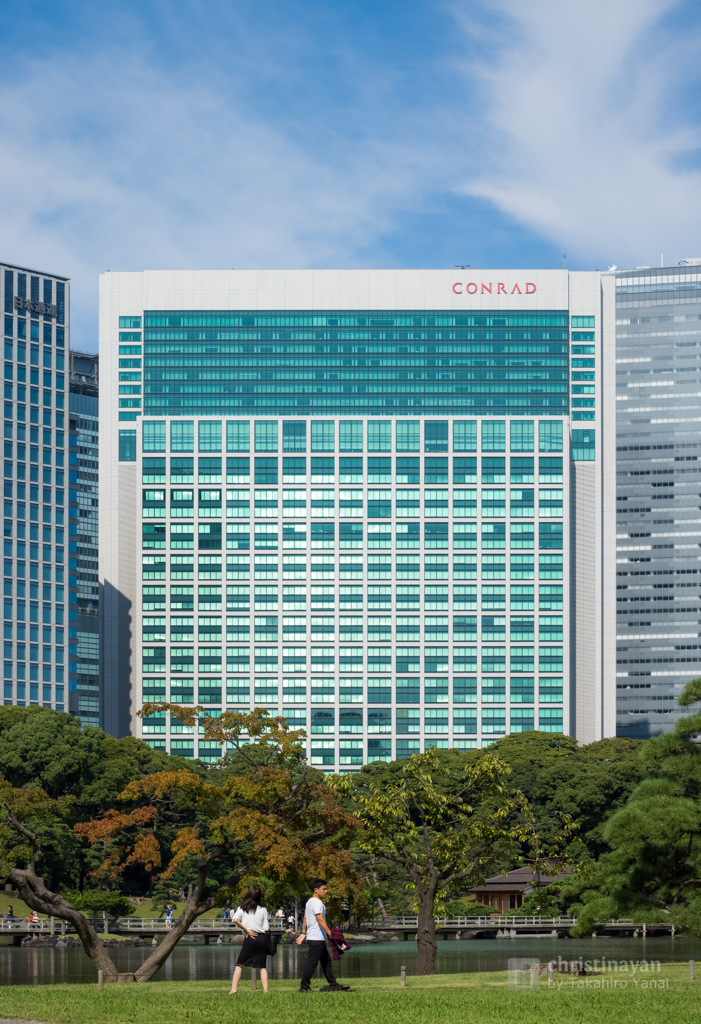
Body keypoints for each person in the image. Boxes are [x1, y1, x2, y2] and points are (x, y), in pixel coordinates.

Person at [296, 879, 350, 993]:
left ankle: (333, 985)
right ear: (316, 890)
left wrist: (303, 933)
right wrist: (330, 933)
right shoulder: (317, 902)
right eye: (324, 889)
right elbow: (320, 919)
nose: (326, 891)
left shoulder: (309, 901)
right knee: (312, 963)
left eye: (326, 889)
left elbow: (306, 918)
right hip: (317, 937)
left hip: (314, 936)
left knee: (326, 961)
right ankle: (304, 987)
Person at [230, 885, 270, 994]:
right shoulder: (263, 909)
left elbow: (235, 919)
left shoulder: (242, 907)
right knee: (262, 966)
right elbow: (266, 928)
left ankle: (233, 990)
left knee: (239, 964)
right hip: (262, 938)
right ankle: (266, 990)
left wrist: (246, 929)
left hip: (250, 937)